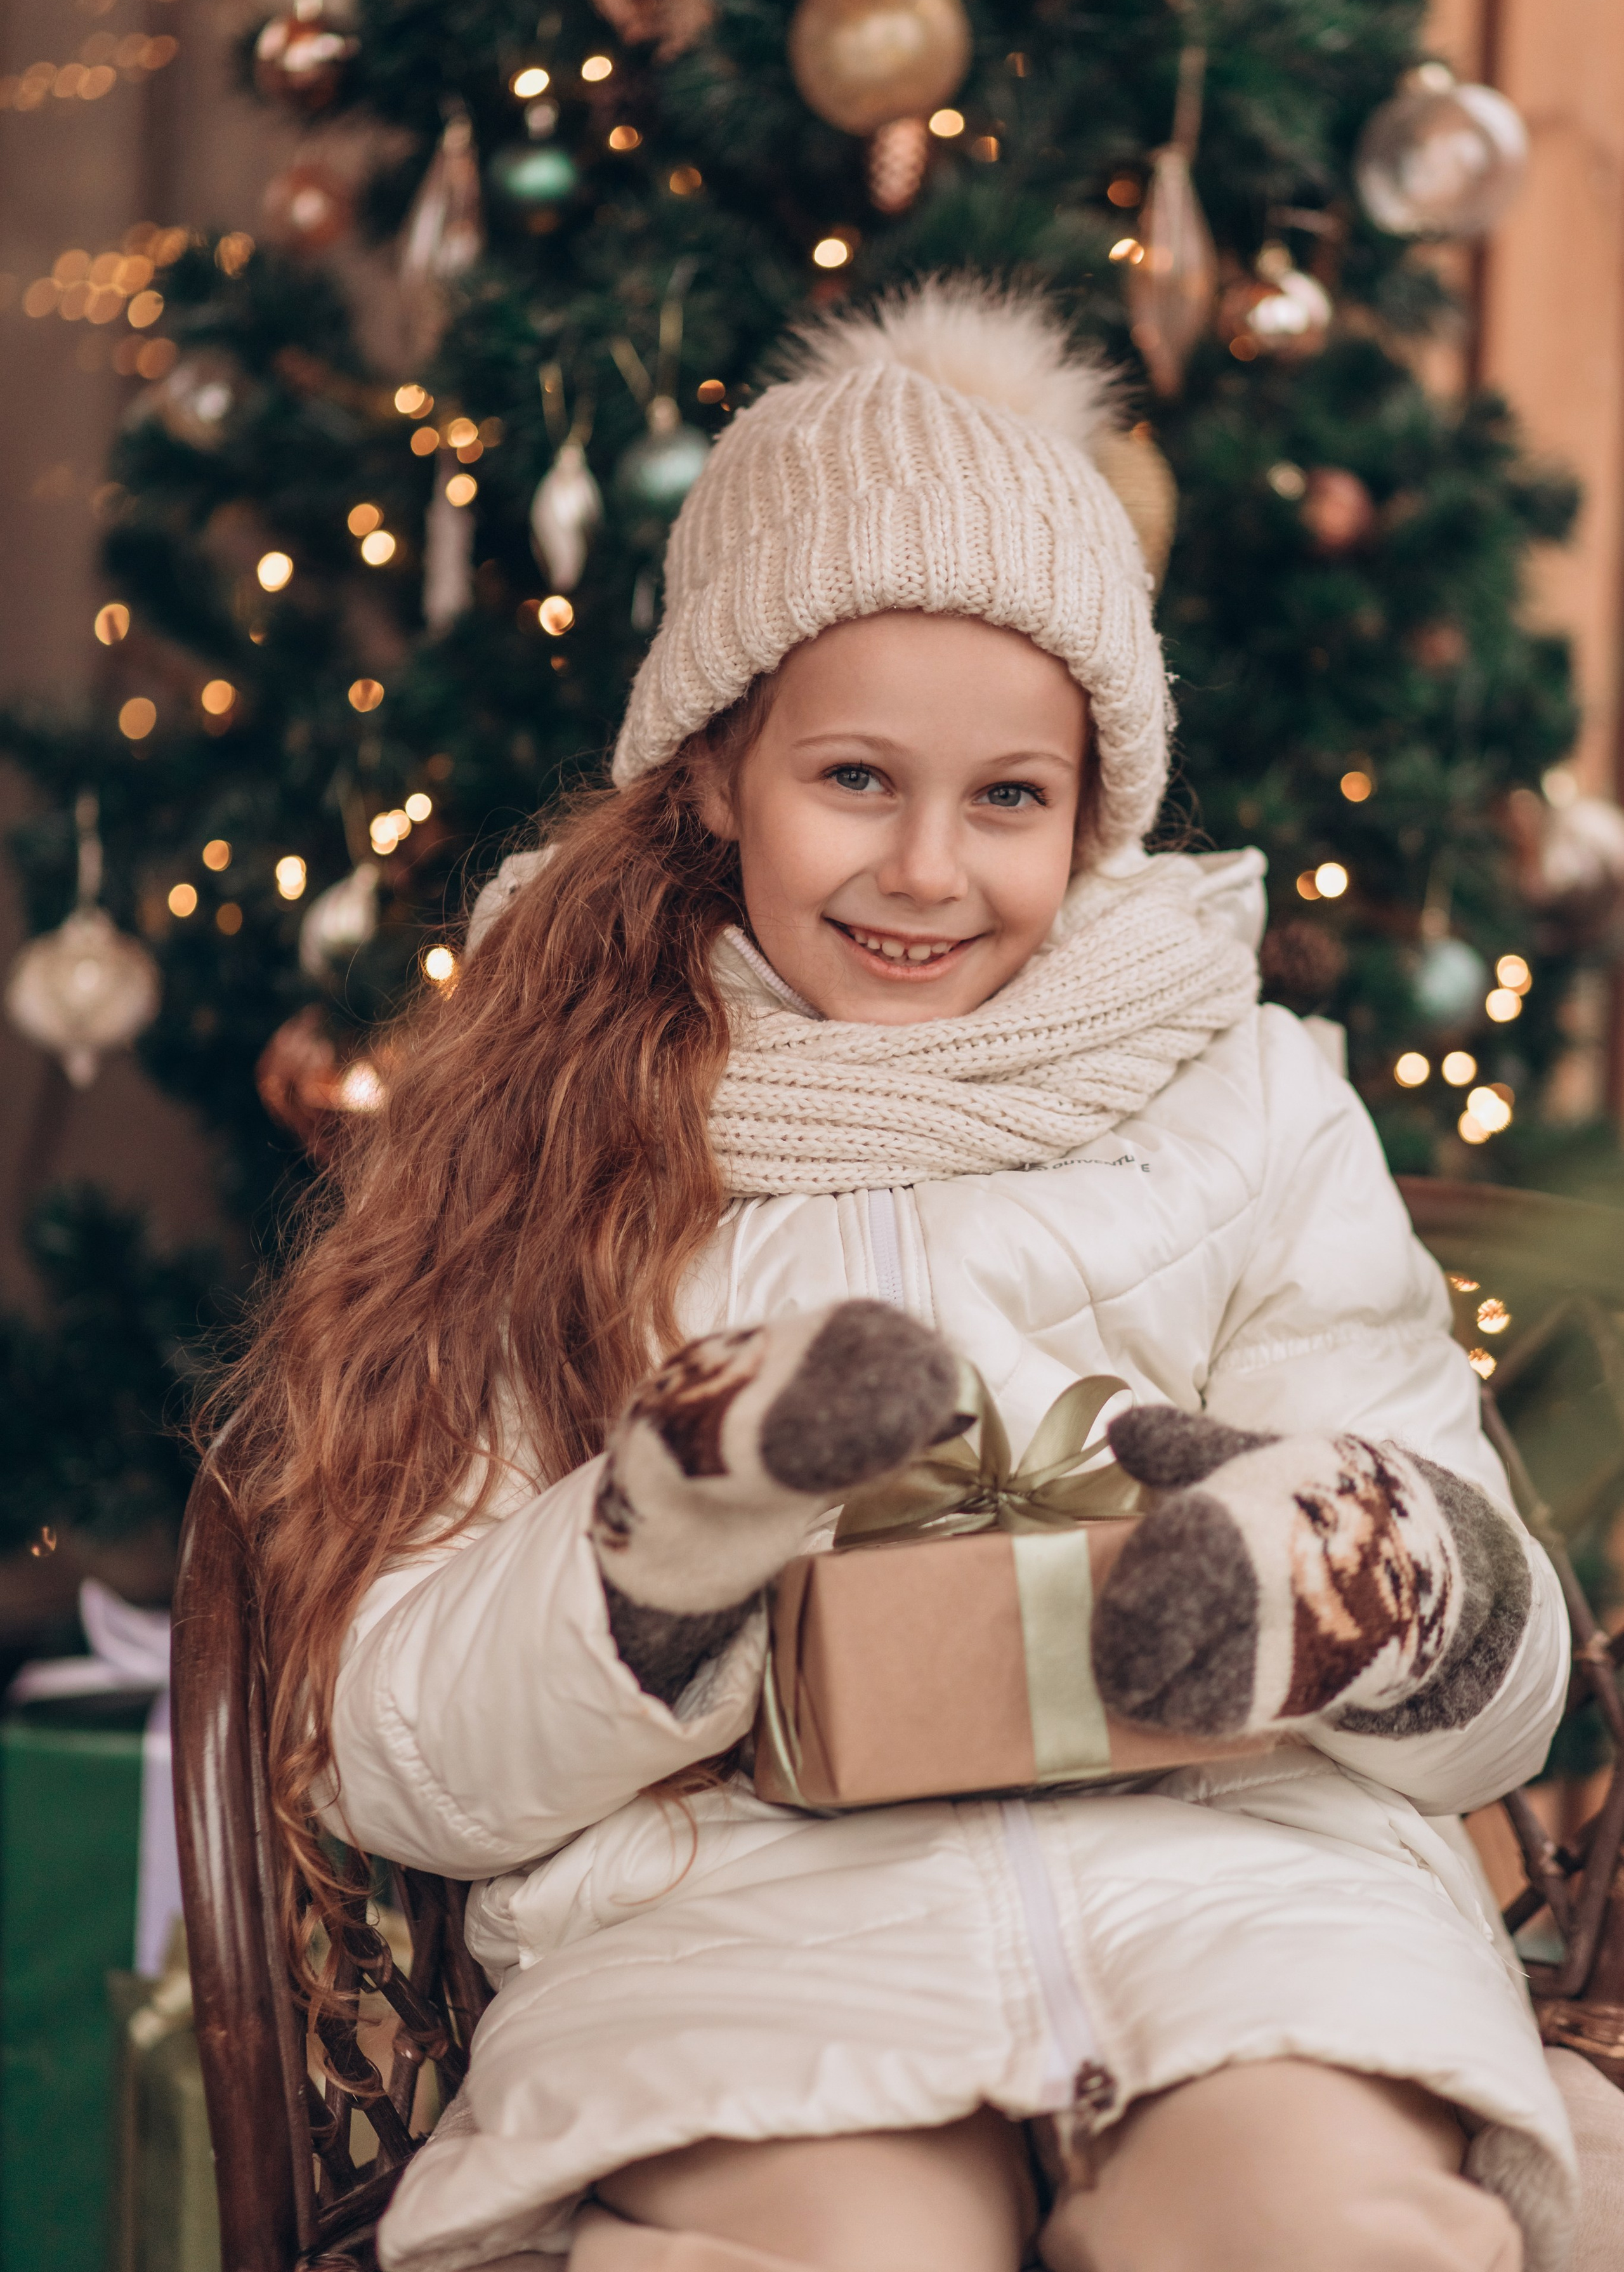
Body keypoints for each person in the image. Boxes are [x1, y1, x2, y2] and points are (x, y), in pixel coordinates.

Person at [221, 281, 1579, 2272]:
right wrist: (660, 1559)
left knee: (1317, 2225)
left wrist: (1342, 1576)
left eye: (1008, 795)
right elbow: (391, 1740)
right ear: (713, 768)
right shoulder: (546, 1128)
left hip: (1251, 1899)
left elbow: (1501, 1713)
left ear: (1091, 806)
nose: (929, 869)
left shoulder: (1250, 1095)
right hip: (738, 1942)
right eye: (855, 777)